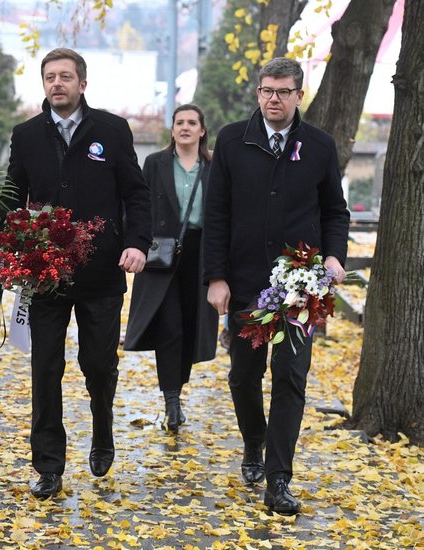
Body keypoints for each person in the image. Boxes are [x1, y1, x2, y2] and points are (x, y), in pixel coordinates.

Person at [203, 57, 349, 515]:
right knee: (244, 376)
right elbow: (216, 214)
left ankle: (279, 478)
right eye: (267, 90)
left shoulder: (320, 147)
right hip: (245, 281)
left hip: (299, 286)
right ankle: (254, 445)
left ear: (298, 95)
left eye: (283, 91)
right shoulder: (231, 140)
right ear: (257, 93)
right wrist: (216, 277)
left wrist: (333, 256)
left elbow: (335, 211)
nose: (273, 99)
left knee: (290, 376)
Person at [3, 48, 151, 499]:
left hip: (102, 271)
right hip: (45, 275)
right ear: (43, 84)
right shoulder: (27, 134)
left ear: (82, 83)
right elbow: (12, 199)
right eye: (50, 77)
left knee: (98, 364)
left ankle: (102, 429)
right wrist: (14, 248)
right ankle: (48, 464)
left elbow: (136, 195)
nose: (57, 84)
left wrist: (136, 243)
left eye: (66, 77)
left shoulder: (111, 129)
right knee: (45, 367)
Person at [124, 104, 218, 432]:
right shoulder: (156, 163)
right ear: (173, 129)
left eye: (192, 122)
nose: (186, 127)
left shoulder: (214, 165)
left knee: (191, 327)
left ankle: (177, 389)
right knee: (170, 327)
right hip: (162, 254)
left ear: (202, 130)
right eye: (179, 122)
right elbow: (139, 205)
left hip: (202, 254)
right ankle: (172, 401)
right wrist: (135, 242)